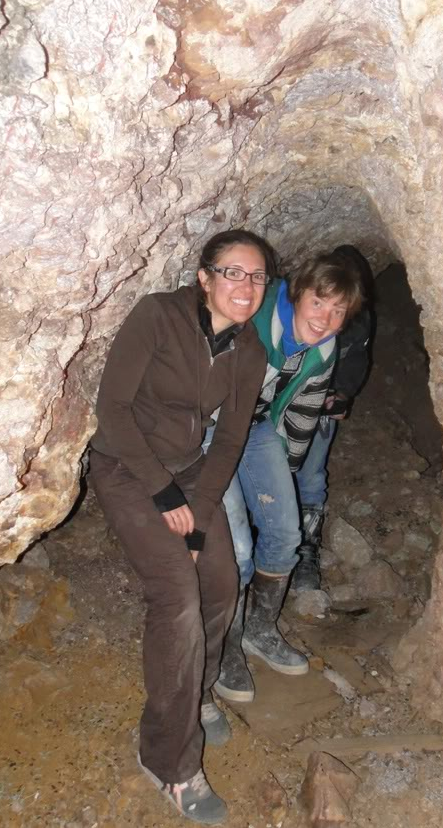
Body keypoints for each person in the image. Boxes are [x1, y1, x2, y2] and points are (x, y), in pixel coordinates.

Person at [88, 229, 275, 825]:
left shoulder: (250, 353)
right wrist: (166, 498)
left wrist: (197, 510)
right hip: (125, 466)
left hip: (192, 475)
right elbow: (112, 410)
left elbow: (231, 438)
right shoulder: (159, 316)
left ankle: (194, 693)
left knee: (221, 582)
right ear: (204, 277)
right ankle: (169, 760)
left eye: (257, 277)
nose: (245, 286)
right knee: (175, 597)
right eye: (233, 273)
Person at [213, 252, 365, 704]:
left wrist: (278, 484)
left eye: (339, 311)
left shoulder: (323, 349)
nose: (327, 318)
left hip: (256, 429)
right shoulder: (254, 316)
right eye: (320, 303)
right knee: (238, 548)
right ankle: (225, 646)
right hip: (210, 431)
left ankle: (260, 630)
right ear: (298, 294)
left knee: (284, 531)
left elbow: (301, 413)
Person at [292, 245, 376, 591]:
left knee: (311, 474)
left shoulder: (357, 325)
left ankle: (306, 551)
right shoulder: (290, 318)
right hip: (279, 408)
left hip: (319, 408)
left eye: (340, 306)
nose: (328, 315)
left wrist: (340, 394)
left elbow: (357, 360)